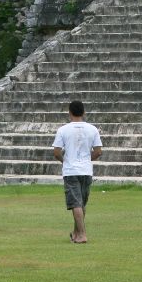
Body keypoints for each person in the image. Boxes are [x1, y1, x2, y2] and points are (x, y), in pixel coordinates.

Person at [52, 100, 103, 244]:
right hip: (86, 170)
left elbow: (56, 152)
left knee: (75, 204)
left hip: (71, 171)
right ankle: (76, 232)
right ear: (84, 112)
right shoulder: (92, 129)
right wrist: (87, 159)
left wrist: (65, 161)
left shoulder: (63, 130)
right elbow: (98, 151)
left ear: (69, 112)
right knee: (81, 203)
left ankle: (82, 235)